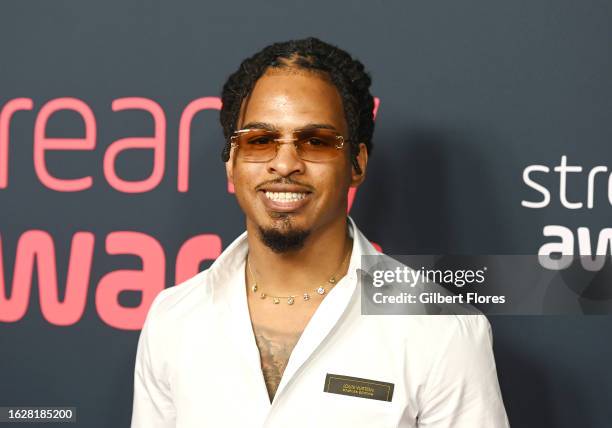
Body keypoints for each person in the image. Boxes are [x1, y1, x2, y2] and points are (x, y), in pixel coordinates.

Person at [130, 37, 510, 427]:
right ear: (232, 162)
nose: (285, 163)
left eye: (316, 141)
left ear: (356, 164)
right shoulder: (173, 319)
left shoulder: (442, 330)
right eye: (260, 140)